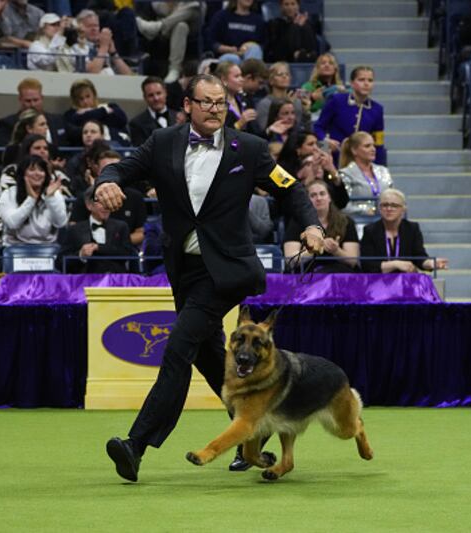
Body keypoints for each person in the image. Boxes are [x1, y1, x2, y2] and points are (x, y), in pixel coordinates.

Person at [95, 73, 324, 482]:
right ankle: (254, 431)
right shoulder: (163, 142)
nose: (216, 108)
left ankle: (136, 445)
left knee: (178, 348)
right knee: (208, 356)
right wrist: (107, 182)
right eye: (207, 102)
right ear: (188, 105)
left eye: (221, 102)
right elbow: (120, 169)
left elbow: (291, 191)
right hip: (185, 272)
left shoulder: (249, 148)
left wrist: (313, 227)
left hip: (228, 272)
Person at [360, 189, 449, 273]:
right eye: (385, 205)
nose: (389, 209)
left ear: (403, 209)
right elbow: (367, 264)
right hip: (378, 282)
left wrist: (430, 263)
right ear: (379, 208)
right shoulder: (370, 230)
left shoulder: (412, 229)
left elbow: (419, 257)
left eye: (394, 205)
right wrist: (395, 264)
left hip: (405, 281)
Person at [70, 149, 146, 247]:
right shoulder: (85, 197)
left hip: (124, 253)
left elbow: (141, 233)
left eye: (116, 169)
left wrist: (113, 245)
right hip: (89, 254)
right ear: (97, 170)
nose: (112, 174)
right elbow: (73, 228)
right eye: (107, 170)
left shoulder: (136, 197)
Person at [283, 179, 359, 273]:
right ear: (307, 200)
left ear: (329, 198)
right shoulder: (297, 222)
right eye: (313, 195)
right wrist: (312, 250)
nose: (318, 198)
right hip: (308, 275)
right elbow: (290, 261)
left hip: (340, 276)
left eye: (322, 194)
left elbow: (352, 261)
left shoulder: (346, 222)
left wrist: (336, 251)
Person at [315, 65, 386, 165]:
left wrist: (380, 168)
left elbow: (378, 143)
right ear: (352, 83)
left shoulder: (377, 109)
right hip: (334, 159)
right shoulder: (337, 100)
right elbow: (318, 128)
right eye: (361, 80)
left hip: (361, 164)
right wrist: (325, 144)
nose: (366, 84)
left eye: (370, 80)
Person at [59, 187, 136, 273]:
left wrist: (98, 248)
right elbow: (60, 262)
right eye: (100, 202)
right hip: (85, 281)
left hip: (115, 281)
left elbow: (128, 254)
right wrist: (80, 255)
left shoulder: (121, 227)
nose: (105, 207)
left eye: (107, 202)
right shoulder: (75, 230)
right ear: (89, 205)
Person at [0, 155, 67, 245]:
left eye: (41, 170)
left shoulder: (53, 193)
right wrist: (31, 199)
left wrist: (50, 198)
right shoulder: (9, 194)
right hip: (15, 247)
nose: (37, 173)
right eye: (32, 169)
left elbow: (60, 223)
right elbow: (12, 223)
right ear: (22, 174)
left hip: (47, 248)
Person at [135, 1, 201, 84]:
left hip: (186, 30)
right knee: (182, 23)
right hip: (166, 31)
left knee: (187, 17)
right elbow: (156, 5)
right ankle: (175, 68)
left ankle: (157, 27)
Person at [0, 78, 68, 150]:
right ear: (20, 100)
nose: (32, 104)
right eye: (28, 101)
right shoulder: (7, 123)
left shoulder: (58, 120)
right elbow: (2, 153)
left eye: (36, 100)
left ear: (42, 98)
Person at [338, 131, 393, 218]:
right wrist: (367, 211)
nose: (373, 149)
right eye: (367, 146)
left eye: (373, 145)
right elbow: (343, 206)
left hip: (384, 221)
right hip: (358, 222)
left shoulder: (383, 171)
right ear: (354, 150)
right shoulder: (345, 174)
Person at [63, 79, 129, 147]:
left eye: (88, 96)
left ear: (94, 95)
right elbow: (75, 126)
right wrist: (104, 111)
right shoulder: (70, 115)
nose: (85, 101)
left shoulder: (110, 106)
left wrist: (88, 114)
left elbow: (122, 119)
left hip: (117, 146)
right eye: (81, 99)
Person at [254, 62, 311, 134]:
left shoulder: (296, 101)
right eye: (280, 74)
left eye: (287, 74)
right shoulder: (264, 104)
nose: (284, 76)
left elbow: (305, 129)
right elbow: (264, 131)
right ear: (271, 80)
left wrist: (306, 112)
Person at [75, 9, 132, 75]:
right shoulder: (77, 47)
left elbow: (129, 75)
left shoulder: (103, 47)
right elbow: (91, 73)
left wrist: (113, 52)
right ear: (80, 28)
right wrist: (104, 47)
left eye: (96, 25)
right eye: (89, 26)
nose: (94, 29)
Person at [207, 0, 266, 64]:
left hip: (250, 56)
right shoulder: (221, 17)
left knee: (255, 49)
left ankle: (249, 71)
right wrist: (228, 49)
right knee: (232, 58)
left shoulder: (259, 20)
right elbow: (212, 42)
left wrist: (248, 47)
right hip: (228, 55)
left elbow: (263, 44)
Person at [129, 76, 179, 147]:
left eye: (159, 93)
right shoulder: (136, 124)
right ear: (145, 98)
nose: (156, 98)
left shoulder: (180, 118)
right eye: (151, 95)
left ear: (165, 93)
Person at [215, 61, 261, 136]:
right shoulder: (216, 104)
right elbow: (218, 135)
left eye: (241, 76)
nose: (242, 79)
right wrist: (239, 124)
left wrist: (269, 130)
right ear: (224, 80)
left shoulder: (245, 100)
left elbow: (256, 132)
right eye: (237, 76)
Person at [300, 53, 346, 118]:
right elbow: (300, 109)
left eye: (330, 63)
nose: (327, 65)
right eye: (323, 63)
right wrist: (312, 98)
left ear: (335, 69)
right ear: (317, 68)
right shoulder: (307, 86)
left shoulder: (340, 88)